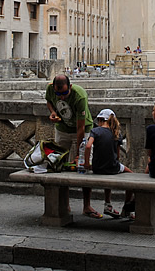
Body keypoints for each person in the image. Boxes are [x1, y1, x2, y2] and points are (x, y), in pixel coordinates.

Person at [45, 74, 97, 217]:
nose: (61, 97)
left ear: (71, 87)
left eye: (64, 93)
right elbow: (49, 101)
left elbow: (80, 129)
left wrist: (79, 154)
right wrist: (53, 112)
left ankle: (87, 206)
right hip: (62, 130)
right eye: (58, 94)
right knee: (59, 165)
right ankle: (64, 204)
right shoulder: (50, 89)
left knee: (84, 166)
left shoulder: (79, 96)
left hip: (82, 130)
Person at [84, 108, 134, 219]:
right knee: (132, 176)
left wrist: (87, 163)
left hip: (97, 167)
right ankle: (126, 209)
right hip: (113, 167)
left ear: (100, 120)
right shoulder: (116, 133)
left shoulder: (95, 131)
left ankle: (108, 203)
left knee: (103, 173)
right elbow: (116, 155)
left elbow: (88, 146)